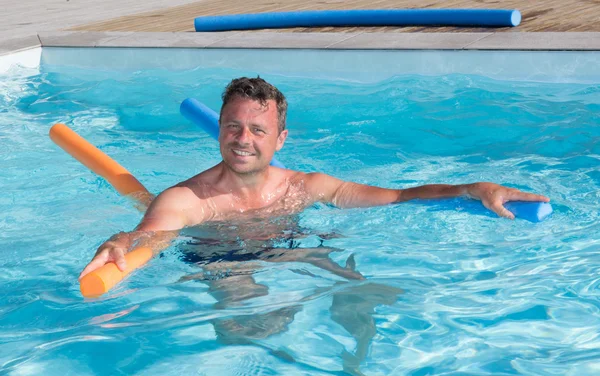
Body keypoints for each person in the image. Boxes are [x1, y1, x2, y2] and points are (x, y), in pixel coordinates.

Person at [79, 76, 549, 279]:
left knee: (357, 283)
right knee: (248, 316)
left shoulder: (306, 186)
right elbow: (151, 237)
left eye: (257, 130)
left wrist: (473, 187)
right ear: (220, 129)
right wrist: (122, 242)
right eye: (232, 126)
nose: (243, 139)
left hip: (291, 242)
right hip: (220, 258)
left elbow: (398, 197)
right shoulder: (187, 200)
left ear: (280, 139)